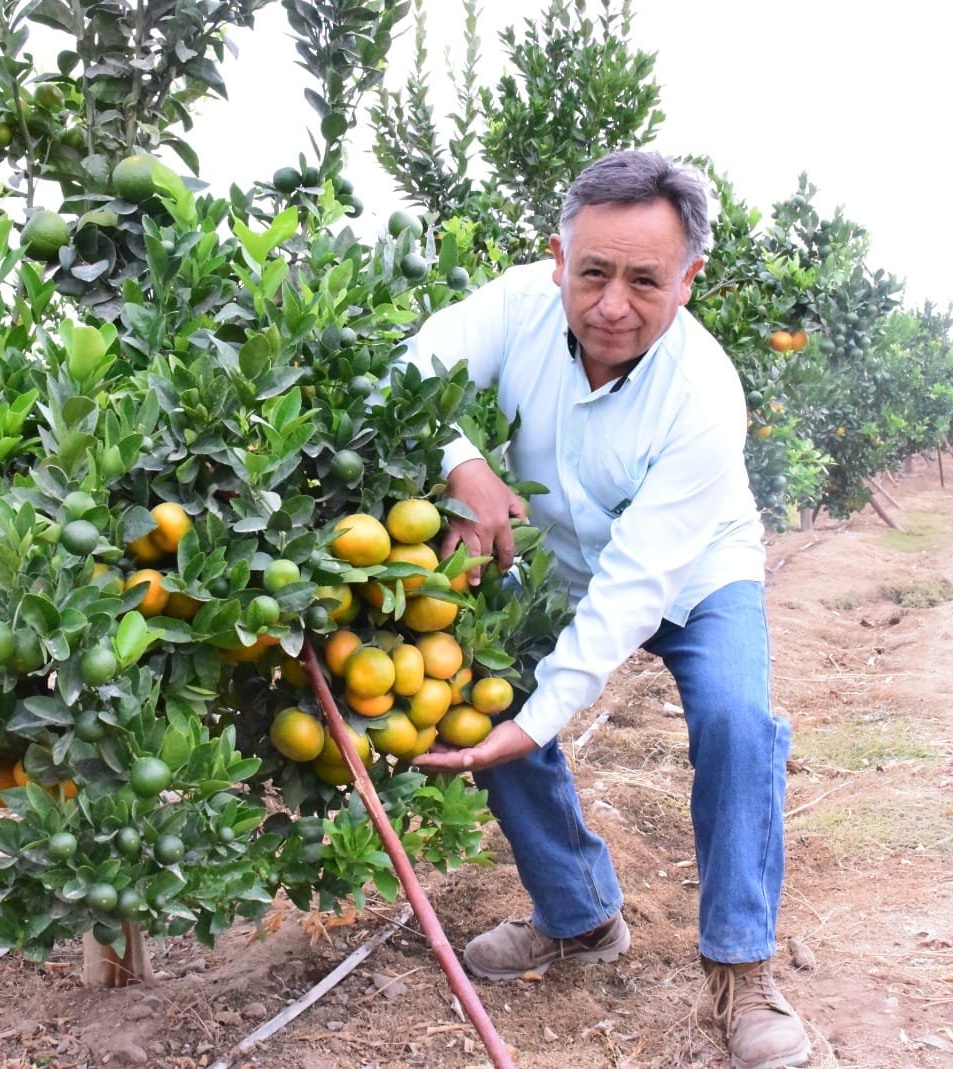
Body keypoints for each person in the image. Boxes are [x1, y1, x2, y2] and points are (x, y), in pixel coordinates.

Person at [403, 149, 811, 1069]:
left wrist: (541, 718)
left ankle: (741, 968)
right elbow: (406, 370)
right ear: (558, 259)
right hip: (555, 561)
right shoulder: (516, 307)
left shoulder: (704, 394)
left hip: (693, 569)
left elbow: (635, 586)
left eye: (645, 281)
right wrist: (460, 460)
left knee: (738, 721)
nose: (612, 305)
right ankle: (580, 916)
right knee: (490, 697)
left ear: (688, 279)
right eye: (592, 273)